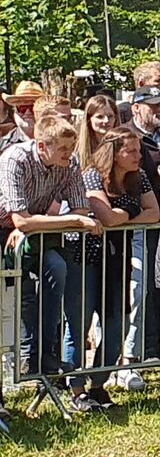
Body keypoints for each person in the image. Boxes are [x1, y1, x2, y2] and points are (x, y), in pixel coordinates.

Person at [0, 112, 102, 413]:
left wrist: (53, 221)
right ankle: (25, 358)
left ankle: (44, 355)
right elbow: (20, 218)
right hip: (7, 231)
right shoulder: (14, 160)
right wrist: (69, 219)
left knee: (57, 269)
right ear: (42, 146)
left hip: (37, 232)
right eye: (62, 149)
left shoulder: (67, 165)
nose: (69, 155)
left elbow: (81, 206)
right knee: (16, 301)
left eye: (70, 149)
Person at [81, 126, 159, 407]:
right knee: (81, 324)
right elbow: (106, 217)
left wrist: (124, 212)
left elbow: (155, 214)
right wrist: (132, 210)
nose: (139, 156)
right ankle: (76, 388)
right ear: (115, 154)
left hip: (119, 258)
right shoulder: (91, 176)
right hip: (88, 259)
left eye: (139, 150)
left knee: (116, 325)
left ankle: (99, 384)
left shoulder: (140, 178)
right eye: (132, 150)